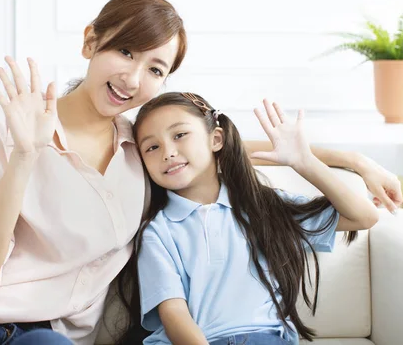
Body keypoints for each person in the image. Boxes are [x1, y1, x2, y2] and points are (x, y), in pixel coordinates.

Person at [0, 0, 401, 345]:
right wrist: (25, 156)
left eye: (155, 68)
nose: (132, 78)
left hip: (44, 332)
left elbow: (226, 148)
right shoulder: (9, 124)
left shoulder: (142, 147)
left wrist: (351, 159)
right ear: (90, 42)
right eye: (124, 51)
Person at [132, 92, 380, 345]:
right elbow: (174, 313)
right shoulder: (157, 231)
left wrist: (304, 162)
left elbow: (364, 217)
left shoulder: (265, 208)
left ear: (216, 139)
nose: (167, 153)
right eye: (152, 147)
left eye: (179, 135)